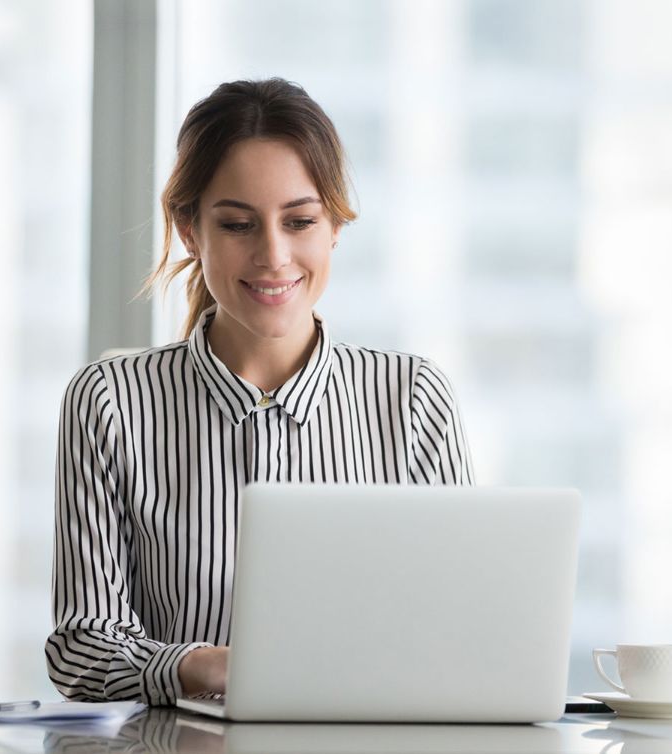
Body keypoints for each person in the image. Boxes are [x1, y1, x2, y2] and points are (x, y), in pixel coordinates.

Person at [44, 78, 474, 706]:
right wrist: (201, 667)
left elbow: (460, 628)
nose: (274, 255)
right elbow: (82, 648)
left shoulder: (412, 398)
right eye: (239, 224)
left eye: (299, 221)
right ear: (191, 231)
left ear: (334, 229)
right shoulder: (110, 401)